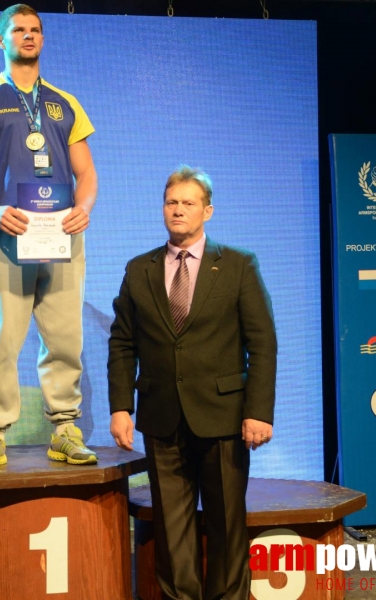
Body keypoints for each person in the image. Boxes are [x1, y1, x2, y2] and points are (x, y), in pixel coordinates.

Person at [108, 166, 277, 600]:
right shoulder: (139, 269)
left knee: (225, 525)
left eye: (187, 203)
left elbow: (262, 343)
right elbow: (123, 342)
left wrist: (258, 411)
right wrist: (121, 406)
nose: (177, 210)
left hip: (223, 418)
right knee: (171, 530)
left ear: (208, 211)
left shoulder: (238, 265)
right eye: (171, 202)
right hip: (161, 417)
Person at [0, 4, 99, 471]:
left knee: (64, 338)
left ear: (43, 39)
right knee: (1, 341)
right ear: (1, 40)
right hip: (5, 238)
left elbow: (87, 171)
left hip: (59, 238)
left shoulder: (65, 102)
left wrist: (84, 209)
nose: (28, 36)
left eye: (35, 30)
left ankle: (65, 430)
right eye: (18, 30)